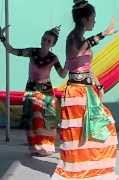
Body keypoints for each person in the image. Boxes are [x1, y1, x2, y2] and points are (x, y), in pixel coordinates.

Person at [51, 0, 119, 179]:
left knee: (98, 128)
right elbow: (81, 50)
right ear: (84, 19)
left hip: (87, 91)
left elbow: (86, 66)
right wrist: (104, 34)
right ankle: (76, 169)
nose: (94, 22)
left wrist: (98, 83)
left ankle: (90, 169)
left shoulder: (79, 38)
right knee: (79, 134)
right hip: (76, 92)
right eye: (93, 18)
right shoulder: (73, 37)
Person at [0, 25, 67, 156]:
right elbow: (11, 50)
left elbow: (63, 74)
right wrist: (2, 37)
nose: (45, 42)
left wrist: (70, 62)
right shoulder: (32, 52)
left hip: (46, 92)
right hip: (31, 89)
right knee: (32, 119)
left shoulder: (53, 58)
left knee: (46, 120)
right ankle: (35, 147)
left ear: (52, 44)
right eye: (44, 39)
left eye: (49, 41)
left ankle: (46, 147)